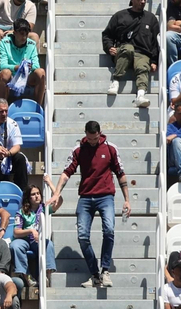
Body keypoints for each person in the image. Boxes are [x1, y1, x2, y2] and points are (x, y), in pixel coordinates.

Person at [49, 121, 132, 288]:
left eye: (95, 138)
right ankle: (95, 274)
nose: (93, 141)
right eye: (90, 138)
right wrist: (56, 193)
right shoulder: (78, 149)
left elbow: (120, 173)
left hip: (106, 196)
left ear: (100, 133)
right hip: (86, 197)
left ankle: (105, 270)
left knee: (109, 230)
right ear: (85, 134)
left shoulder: (110, 148)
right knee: (82, 236)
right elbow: (66, 173)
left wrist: (127, 200)